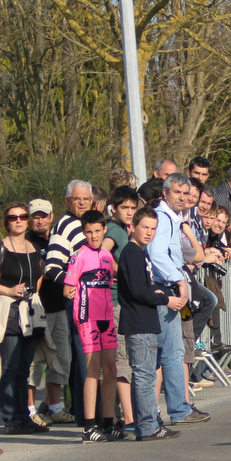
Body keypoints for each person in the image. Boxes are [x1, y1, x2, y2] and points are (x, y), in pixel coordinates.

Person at [148, 173, 210, 425]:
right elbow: (156, 253)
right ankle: (174, 411)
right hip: (163, 289)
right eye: (177, 193)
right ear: (165, 194)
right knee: (170, 353)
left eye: (186, 194)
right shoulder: (162, 218)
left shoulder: (173, 218)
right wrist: (180, 280)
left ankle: (176, 408)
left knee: (170, 352)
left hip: (168, 287)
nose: (183, 198)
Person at [118, 207, 184, 441]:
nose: (149, 232)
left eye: (153, 228)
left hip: (146, 321)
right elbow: (136, 291)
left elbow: (141, 287)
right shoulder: (132, 252)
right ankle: (147, 426)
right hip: (139, 322)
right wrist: (165, 298)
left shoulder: (141, 253)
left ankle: (147, 422)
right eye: (144, 227)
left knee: (145, 374)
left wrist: (153, 290)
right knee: (145, 375)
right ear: (132, 227)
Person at [63, 210, 119, 442]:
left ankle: (108, 421)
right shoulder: (79, 256)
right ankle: (88, 425)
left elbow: (118, 274)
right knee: (93, 370)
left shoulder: (107, 255)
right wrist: (79, 293)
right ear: (83, 232)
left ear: (104, 230)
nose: (94, 236)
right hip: (87, 318)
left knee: (111, 369)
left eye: (97, 231)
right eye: (89, 232)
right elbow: (67, 289)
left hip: (107, 317)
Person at [44, 179, 94, 426]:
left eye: (86, 198)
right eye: (77, 198)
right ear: (67, 201)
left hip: (95, 300)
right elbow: (52, 267)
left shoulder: (88, 225)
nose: (82, 202)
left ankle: (86, 409)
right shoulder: (65, 226)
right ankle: (87, 416)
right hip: (77, 302)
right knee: (85, 355)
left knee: (87, 356)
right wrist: (72, 282)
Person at [24, 198, 73, 424]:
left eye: (44, 215)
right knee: (34, 363)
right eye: (36, 216)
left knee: (60, 359)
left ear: (52, 217)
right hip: (34, 309)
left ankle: (54, 407)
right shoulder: (25, 243)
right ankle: (31, 411)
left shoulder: (58, 239)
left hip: (58, 307)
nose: (40, 219)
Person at [0, 203, 46, 436]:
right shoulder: (1, 248)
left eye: (22, 216)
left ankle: (24, 417)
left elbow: (39, 277)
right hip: (9, 312)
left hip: (31, 313)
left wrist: (32, 294)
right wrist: (9, 291)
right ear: (6, 222)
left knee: (24, 368)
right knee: (10, 367)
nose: (18, 220)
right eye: (13, 217)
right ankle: (10, 419)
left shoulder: (34, 248)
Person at [102, 186, 140, 438]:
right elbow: (102, 251)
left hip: (123, 302)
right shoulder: (114, 229)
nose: (128, 212)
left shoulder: (124, 229)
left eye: (132, 208)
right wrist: (118, 271)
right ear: (114, 208)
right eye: (124, 207)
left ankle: (121, 415)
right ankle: (128, 419)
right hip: (114, 302)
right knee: (122, 359)